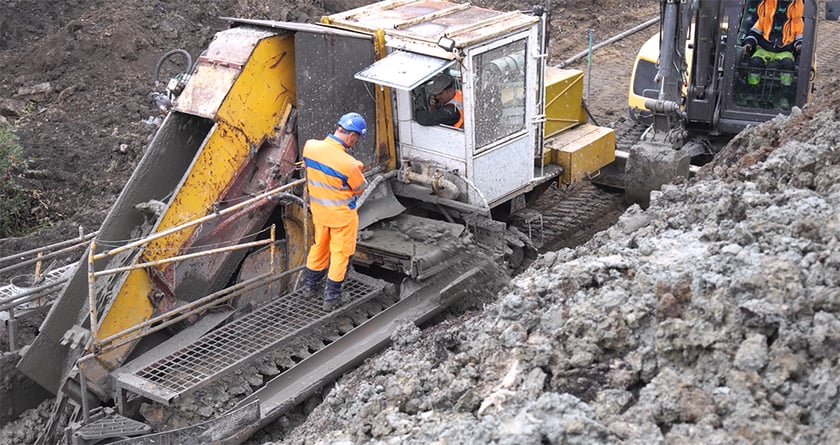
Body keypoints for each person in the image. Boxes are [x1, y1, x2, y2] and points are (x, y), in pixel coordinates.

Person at [301, 112, 368, 312]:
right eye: (356, 139)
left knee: (319, 248)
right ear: (352, 136)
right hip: (342, 218)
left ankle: (309, 288)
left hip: (319, 212)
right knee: (341, 254)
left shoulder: (310, 147)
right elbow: (360, 188)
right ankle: (332, 298)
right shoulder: (350, 164)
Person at [742, 0, 804, 88]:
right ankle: (752, 88)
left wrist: (799, 46)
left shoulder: (797, 22)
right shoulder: (764, 19)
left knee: (787, 64)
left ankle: (785, 89)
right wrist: (748, 44)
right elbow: (754, 33)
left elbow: (800, 38)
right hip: (763, 49)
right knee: (755, 62)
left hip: (785, 51)